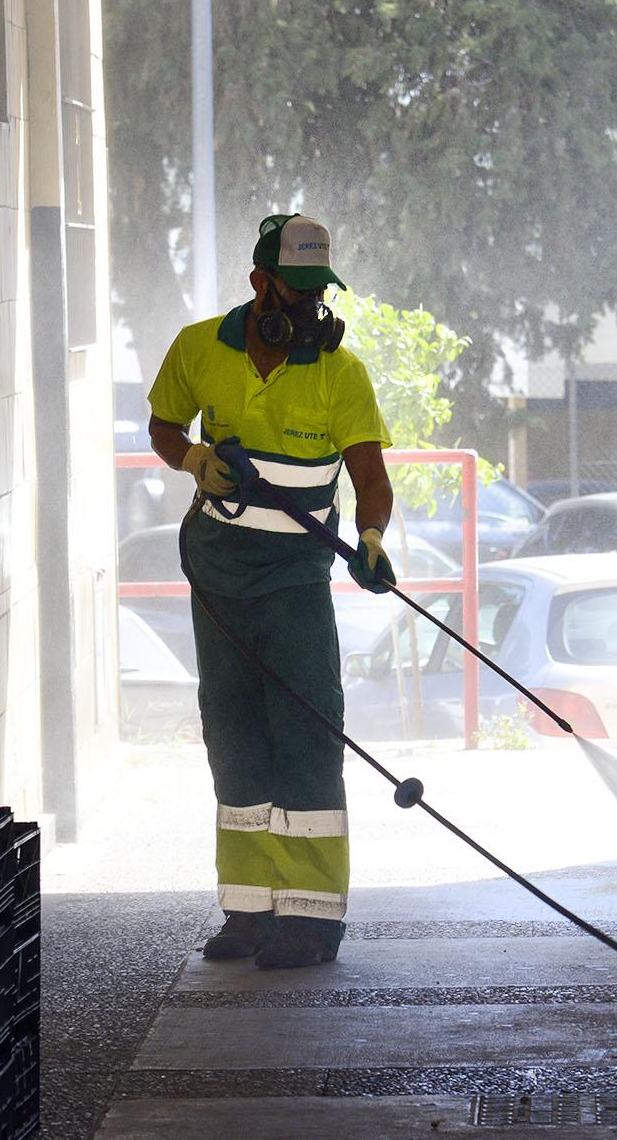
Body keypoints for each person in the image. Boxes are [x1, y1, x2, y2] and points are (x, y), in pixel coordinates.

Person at [146, 213, 395, 969]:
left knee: (306, 739)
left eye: (323, 289)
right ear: (260, 283)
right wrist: (190, 457)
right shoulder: (198, 347)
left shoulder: (340, 373)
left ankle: (313, 920)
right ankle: (249, 910)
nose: (312, 305)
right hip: (218, 579)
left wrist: (374, 538)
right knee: (233, 737)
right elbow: (161, 424)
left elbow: (371, 481)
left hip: (295, 584)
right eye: (299, 287)